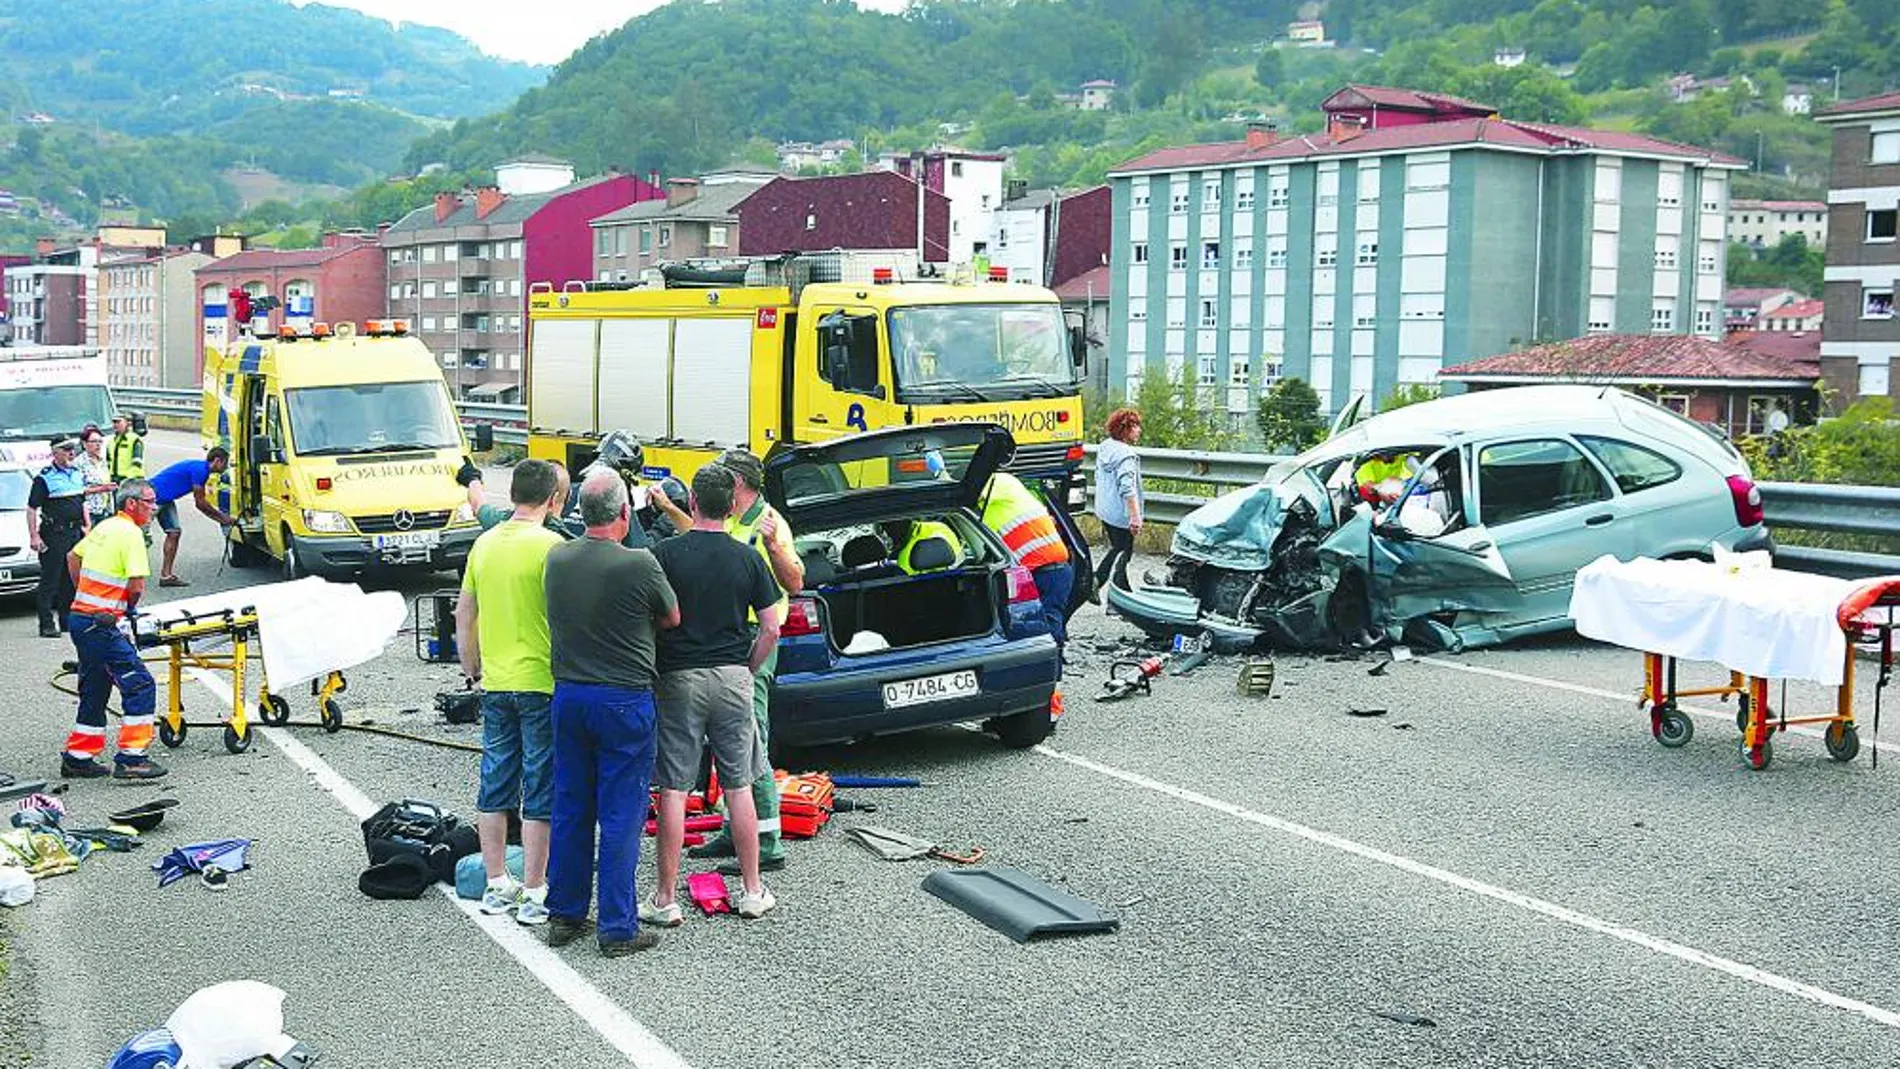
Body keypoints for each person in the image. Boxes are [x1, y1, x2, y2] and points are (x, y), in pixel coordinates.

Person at [542, 470, 680, 957]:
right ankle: (618, 926)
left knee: (572, 804)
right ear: (625, 513)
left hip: (570, 694)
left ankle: (565, 912)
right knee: (621, 812)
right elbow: (671, 617)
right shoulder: (639, 563)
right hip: (624, 697)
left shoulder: (557, 558)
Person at [648, 465, 783, 921]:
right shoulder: (747, 557)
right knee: (738, 784)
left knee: (673, 788)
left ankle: (665, 898)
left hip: (679, 679)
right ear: (731, 507)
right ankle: (752, 890)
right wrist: (748, 666)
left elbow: (650, 617)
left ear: (691, 504)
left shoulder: (665, 554)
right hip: (732, 678)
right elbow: (771, 626)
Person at [454, 459, 566, 927]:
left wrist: (472, 666)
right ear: (552, 500)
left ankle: (497, 882)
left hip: (496, 682)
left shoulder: (483, 544)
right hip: (542, 682)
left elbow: (464, 613)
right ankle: (536, 889)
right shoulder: (553, 546)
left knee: (495, 782)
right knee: (539, 787)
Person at [684, 449, 802, 876]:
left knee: (751, 741)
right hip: (731, 637)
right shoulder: (731, 518)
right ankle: (736, 831)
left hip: (755, 638)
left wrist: (773, 548)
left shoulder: (769, 523)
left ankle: (766, 842)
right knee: (728, 741)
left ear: (738, 484)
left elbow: (795, 580)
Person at [60, 478, 165, 780]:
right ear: (131, 504)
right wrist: (124, 608)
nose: (154, 508)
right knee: (141, 684)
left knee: (95, 687)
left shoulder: (106, 525)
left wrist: (85, 594)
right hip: (101, 624)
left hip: (82, 620)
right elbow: (136, 585)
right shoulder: (131, 533)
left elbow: (72, 557)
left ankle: (78, 758)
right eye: (149, 502)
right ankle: (132, 758)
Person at [981, 471, 1073, 648]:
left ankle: (1052, 666)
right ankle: (1052, 662)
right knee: (1046, 624)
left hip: (1046, 572)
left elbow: (976, 492)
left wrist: (941, 475)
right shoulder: (1014, 495)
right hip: (1052, 571)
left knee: (1046, 629)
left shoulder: (999, 483)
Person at [148, 447, 238, 587]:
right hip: (152, 497)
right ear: (217, 461)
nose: (226, 467)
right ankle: (128, 576)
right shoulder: (201, 471)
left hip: (166, 499)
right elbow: (200, 503)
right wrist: (223, 518)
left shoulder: (201, 469)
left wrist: (222, 519)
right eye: (225, 463)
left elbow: (201, 504)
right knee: (139, 536)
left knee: (174, 533)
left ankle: (166, 576)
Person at [29, 437, 90, 637]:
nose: (71, 453)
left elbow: (82, 502)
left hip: (74, 532)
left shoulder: (77, 474)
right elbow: (31, 508)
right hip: (54, 533)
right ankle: (46, 624)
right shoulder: (44, 478)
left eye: (72, 449)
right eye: (66, 450)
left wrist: (86, 525)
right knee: (50, 579)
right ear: (55, 453)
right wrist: (34, 537)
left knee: (70, 579)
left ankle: (66, 620)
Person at [1092, 407, 1144, 599]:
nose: (1139, 431)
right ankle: (1098, 583)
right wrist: (1135, 515)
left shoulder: (1106, 447)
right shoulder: (1126, 455)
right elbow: (1127, 487)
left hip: (1106, 509)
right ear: (1126, 429)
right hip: (1121, 513)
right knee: (1123, 553)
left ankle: (1118, 594)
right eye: (1135, 426)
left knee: (1120, 549)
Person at [461, 456, 572, 537]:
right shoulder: (565, 543)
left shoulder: (498, 522)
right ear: (568, 496)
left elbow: (478, 504)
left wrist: (473, 479)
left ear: (512, 493)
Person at [77, 425, 116, 526]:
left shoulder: (102, 461)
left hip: (104, 509)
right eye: (94, 442)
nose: (98, 445)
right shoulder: (79, 463)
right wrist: (102, 488)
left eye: (100, 441)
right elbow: (78, 490)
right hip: (89, 513)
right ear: (84, 444)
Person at [108, 413, 145, 483]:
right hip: (115, 480)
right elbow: (108, 462)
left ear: (126, 423)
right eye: (114, 422)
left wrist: (128, 479)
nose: (115, 425)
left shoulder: (134, 440)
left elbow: (137, 463)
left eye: (118, 422)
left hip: (132, 480)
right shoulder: (111, 441)